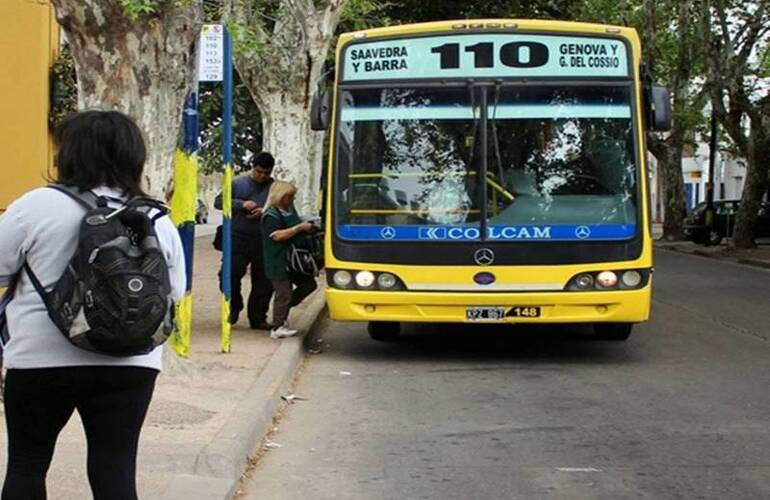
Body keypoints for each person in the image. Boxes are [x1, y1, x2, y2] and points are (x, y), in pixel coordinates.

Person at [0, 110, 186, 499]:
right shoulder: (154, 217)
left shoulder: (34, 207)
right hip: (132, 362)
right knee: (115, 470)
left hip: (40, 360)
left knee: (27, 465)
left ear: (69, 153)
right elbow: (176, 291)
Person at [214, 152, 275, 329]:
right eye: (259, 172)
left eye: (266, 173)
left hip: (264, 239)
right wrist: (241, 204)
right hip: (237, 238)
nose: (262, 176)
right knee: (229, 273)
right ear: (252, 167)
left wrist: (265, 211)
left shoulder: (275, 188)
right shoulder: (237, 184)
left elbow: (284, 207)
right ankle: (234, 305)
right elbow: (218, 202)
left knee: (264, 280)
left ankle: (257, 317)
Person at [260, 181, 318, 339]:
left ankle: (283, 313)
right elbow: (277, 235)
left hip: (294, 259)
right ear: (281, 196)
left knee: (308, 285)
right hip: (278, 260)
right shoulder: (270, 215)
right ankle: (277, 326)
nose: (292, 200)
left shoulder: (289, 210)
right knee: (283, 293)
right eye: (289, 197)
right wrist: (299, 228)